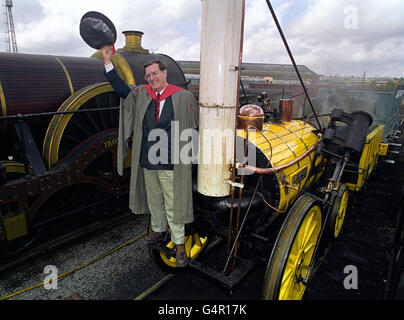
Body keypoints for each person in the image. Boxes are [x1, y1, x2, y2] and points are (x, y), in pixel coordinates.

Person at [100, 45, 199, 267]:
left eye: (154, 73)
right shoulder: (142, 94)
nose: (151, 78)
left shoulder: (183, 97)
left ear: (164, 73)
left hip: (171, 160)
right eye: (148, 75)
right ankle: (159, 228)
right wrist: (108, 62)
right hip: (147, 159)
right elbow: (121, 89)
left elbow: (194, 128)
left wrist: (194, 158)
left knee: (174, 203)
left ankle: (180, 243)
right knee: (155, 200)